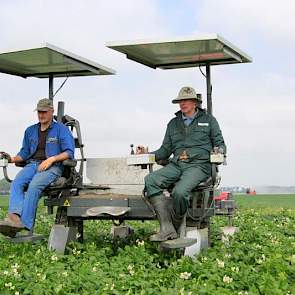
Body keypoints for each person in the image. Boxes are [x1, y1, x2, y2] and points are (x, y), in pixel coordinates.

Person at [137, 86, 226, 242]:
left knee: (179, 192)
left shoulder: (209, 121)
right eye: (181, 101)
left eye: (187, 100)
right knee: (150, 180)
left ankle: (176, 224)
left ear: (194, 103)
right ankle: (166, 228)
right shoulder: (173, 124)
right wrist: (147, 153)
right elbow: (165, 150)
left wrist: (219, 151)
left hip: (199, 165)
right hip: (177, 164)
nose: (183, 103)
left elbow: (220, 143)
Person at [0, 98, 75, 237]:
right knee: (17, 182)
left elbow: (69, 152)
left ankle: (25, 224)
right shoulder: (30, 131)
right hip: (33, 164)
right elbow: (24, 153)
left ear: (51, 111)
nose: (41, 115)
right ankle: (14, 218)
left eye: (44, 112)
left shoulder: (61, 130)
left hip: (53, 167)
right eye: (39, 112)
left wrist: (52, 159)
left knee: (34, 185)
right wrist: (11, 159)